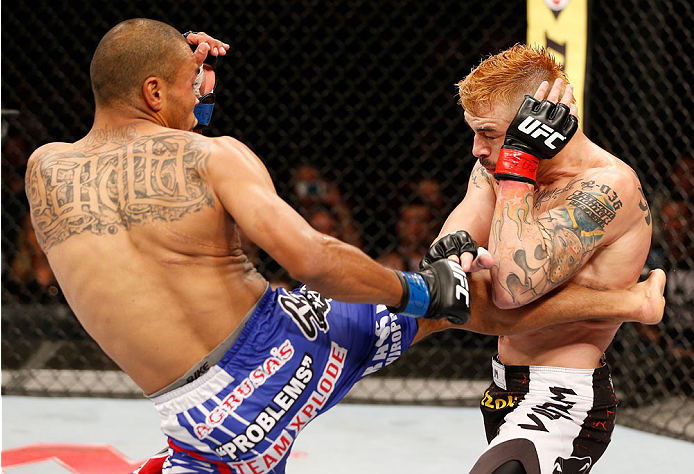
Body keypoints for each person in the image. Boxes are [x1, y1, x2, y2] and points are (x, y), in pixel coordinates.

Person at [24, 22, 664, 474]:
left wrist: (179, 85)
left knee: (466, 293)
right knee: (457, 300)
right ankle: (634, 302)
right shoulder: (208, 155)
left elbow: (157, 198)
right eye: (191, 87)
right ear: (156, 93)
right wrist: (420, 290)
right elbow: (310, 257)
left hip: (191, 413)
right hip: (276, 356)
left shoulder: (43, 167)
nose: (202, 97)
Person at [423, 44, 657, 473]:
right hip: (503, 385)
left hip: (564, 397)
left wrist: (517, 165)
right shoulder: (495, 164)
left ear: (538, 121)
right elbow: (452, 244)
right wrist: (454, 248)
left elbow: (513, 288)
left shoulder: (607, 189)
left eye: (489, 134)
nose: (477, 148)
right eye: (474, 132)